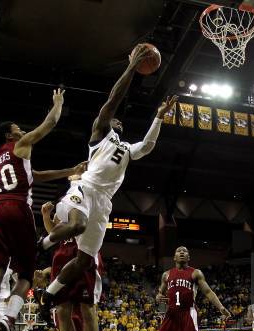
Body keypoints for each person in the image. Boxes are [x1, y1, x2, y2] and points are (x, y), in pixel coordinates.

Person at [38, 45, 178, 311]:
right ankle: (40, 245)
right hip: (85, 188)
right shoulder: (99, 135)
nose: (119, 123)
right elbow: (113, 100)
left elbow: (146, 147)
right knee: (77, 226)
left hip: (104, 203)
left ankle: (48, 294)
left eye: (121, 124)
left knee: (84, 261)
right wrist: (131, 68)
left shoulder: (126, 149)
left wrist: (158, 117)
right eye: (116, 121)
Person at [0, 88, 85, 331]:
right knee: (26, 274)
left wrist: (70, 170)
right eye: (17, 129)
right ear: (11, 135)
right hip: (14, 207)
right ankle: (8, 319)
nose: (21, 130)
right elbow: (48, 125)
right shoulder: (20, 145)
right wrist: (58, 104)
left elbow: (35, 175)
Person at [38, 195, 104, 331]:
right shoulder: (63, 203)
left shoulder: (89, 195)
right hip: (62, 254)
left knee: (87, 308)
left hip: (84, 252)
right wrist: (45, 216)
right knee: (61, 310)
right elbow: (55, 234)